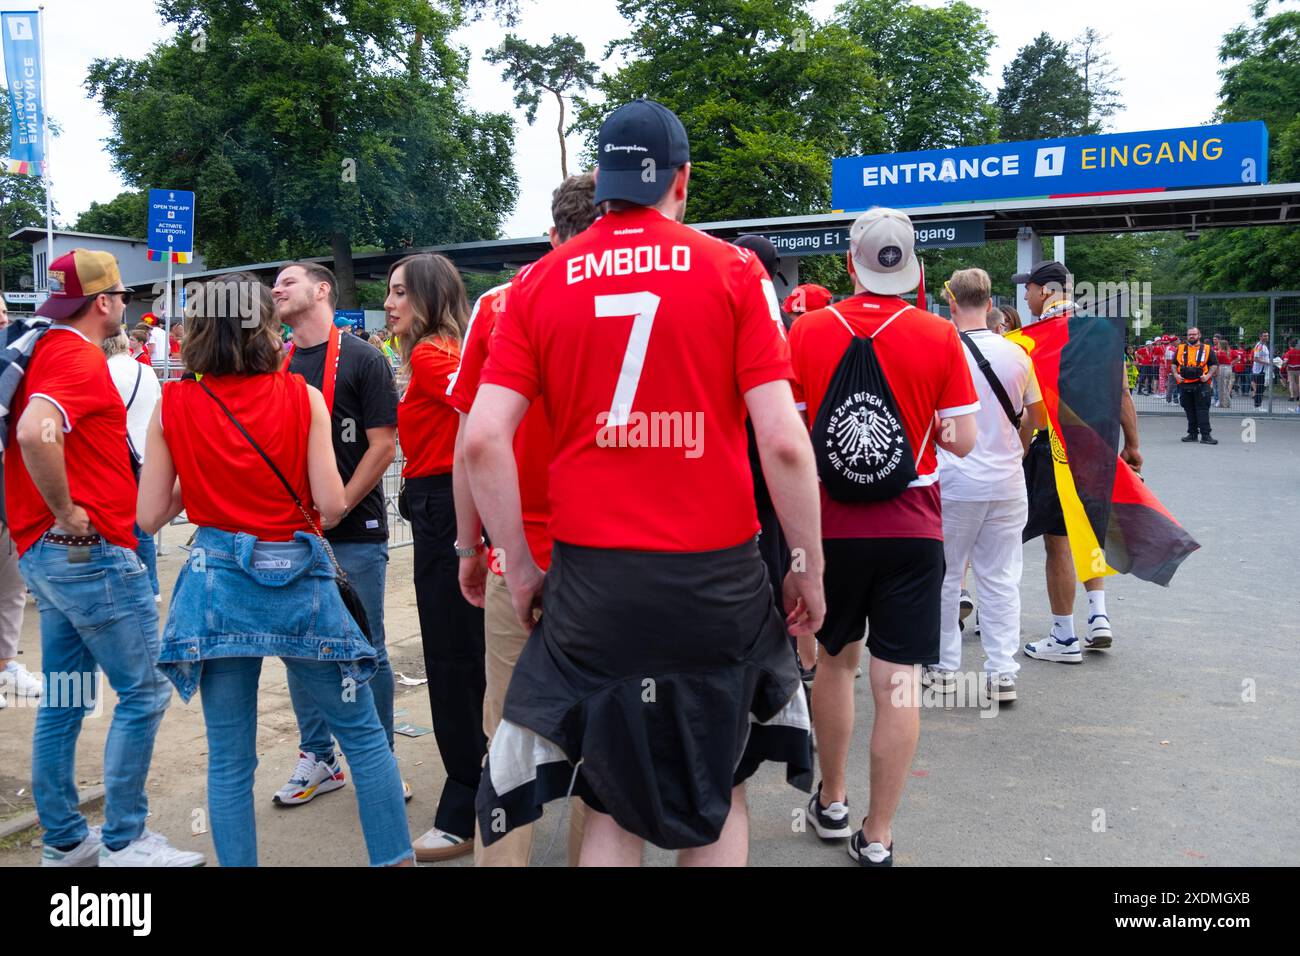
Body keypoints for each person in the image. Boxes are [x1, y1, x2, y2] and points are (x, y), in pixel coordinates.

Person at [467, 99, 821, 867]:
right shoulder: (733, 270)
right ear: (681, 181)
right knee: (721, 784)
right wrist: (808, 565)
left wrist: (521, 566)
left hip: (595, 579)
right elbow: (785, 445)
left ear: (602, 183)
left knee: (610, 796)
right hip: (714, 575)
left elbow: (484, 438)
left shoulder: (536, 284)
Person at [138, 273, 411, 868]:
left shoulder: (175, 403)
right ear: (265, 326)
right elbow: (333, 504)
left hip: (216, 591)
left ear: (200, 330)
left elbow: (150, 513)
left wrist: (201, 472)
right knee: (364, 738)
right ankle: (395, 860)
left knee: (230, 759)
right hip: (300, 584)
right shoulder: (301, 398)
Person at [789, 208, 978, 866]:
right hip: (913, 531)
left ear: (851, 263)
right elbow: (963, 439)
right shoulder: (939, 335)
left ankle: (832, 800)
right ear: (915, 269)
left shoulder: (807, 331)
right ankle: (879, 834)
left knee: (836, 666)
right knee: (898, 682)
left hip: (831, 529)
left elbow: (792, 437)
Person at [6, 249, 199, 866]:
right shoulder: (76, 356)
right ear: (105, 301)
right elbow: (39, 430)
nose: (125, 305)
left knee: (65, 696)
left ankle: (64, 839)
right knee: (145, 690)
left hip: (53, 556)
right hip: (87, 556)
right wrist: (66, 510)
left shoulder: (41, 348)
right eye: (120, 296)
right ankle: (125, 839)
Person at [448, 172, 598, 867]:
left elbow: (472, 443)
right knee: (605, 739)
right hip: (613, 554)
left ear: (551, 233)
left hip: (519, 551)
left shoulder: (502, 304)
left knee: (509, 734)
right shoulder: (647, 292)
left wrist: (469, 544)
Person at [270, 263, 401, 808]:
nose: (276, 289)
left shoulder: (364, 358)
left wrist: (340, 502)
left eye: (288, 282)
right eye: (274, 285)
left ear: (322, 290)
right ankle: (318, 756)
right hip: (293, 533)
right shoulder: (274, 361)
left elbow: (384, 445)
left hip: (355, 531)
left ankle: (382, 759)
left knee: (364, 649)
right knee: (301, 650)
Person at [387, 253, 484, 860]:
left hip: (448, 509)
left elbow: (486, 410)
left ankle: (466, 799)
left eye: (400, 291)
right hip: (445, 507)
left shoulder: (432, 354)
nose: (390, 302)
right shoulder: (437, 353)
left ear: (427, 298)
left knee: (453, 658)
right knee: (465, 655)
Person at [1013, 260, 1142, 664]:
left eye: (1029, 288)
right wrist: (1133, 445)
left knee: (1059, 542)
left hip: (1053, 451)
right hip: (1098, 447)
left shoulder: (1030, 340)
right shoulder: (1103, 333)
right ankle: (1099, 615)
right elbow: (1121, 394)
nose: (1026, 296)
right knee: (1091, 528)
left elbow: (1026, 410)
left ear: (1045, 290)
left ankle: (1064, 635)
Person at [933, 269, 1046, 703]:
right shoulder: (1018, 354)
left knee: (947, 575)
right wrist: (1016, 445)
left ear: (952, 302)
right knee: (1001, 578)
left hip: (955, 479)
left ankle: (944, 667)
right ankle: (1002, 672)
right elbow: (1036, 417)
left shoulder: (943, 352)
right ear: (988, 300)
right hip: (1006, 481)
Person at [103, 328, 164, 601]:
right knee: (144, 528)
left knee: (119, 527)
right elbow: (156, 407)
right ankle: (151, 586)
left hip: (117, 454)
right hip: (145, 453)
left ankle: (125, 585)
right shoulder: (145, 371)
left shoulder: (104, 371)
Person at [0, 297, 39, 709]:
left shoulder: (14, 372)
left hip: (8, 497)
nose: (2, 319)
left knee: (11, 588)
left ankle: (6, 665)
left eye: (4, 312)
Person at [1175, 327, 1218, 445]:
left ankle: (1206, 435)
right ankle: (1192, 434)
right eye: (1189, 334)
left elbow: (1214, 364)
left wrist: (1208, 375)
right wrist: (1176, 375)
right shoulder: (1180, 348)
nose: (1192, 336)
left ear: (1199, 335)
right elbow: (1174, 364)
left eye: (1194, 334)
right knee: (1189, 409)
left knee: (1202, 410)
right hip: (1184, 384)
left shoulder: (1207, 349)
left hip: (1201, 384)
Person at [1252, 331, 1272, 409]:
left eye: (1267, 336)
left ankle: (1258, 405)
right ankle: (1257, 406)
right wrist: (1267, 362)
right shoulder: (1258, 346)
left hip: (1264, 369)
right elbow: (1255, 359)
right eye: (1264, 336)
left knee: (1262, 387)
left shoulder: (1264, 346)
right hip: (1259, 370)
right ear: (1260, 337)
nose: (1266, 337)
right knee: (1260, 388)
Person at [1216, 337, 1234, 408]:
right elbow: (1238, 357)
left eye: (1219, 344)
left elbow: (1216, 361)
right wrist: (1232, 363)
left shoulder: (1220, 353)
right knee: (1225, 387)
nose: (1218, 345)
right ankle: (1226, 403)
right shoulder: (1230, 351)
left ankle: (1224, 403)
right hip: (1229, 368)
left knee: (1221, 387)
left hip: (1222, 368)